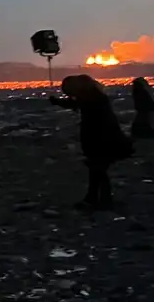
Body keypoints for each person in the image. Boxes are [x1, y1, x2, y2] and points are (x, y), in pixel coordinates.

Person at [50, 74, 132, 209]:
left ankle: (97, 199)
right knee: (98, 169)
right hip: (103, 137)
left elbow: (77, 105)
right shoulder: (94, 95)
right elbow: (77, 104)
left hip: (100, 139)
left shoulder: (90, 97)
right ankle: (98, 198)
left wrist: (59, 102)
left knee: (97, 169)